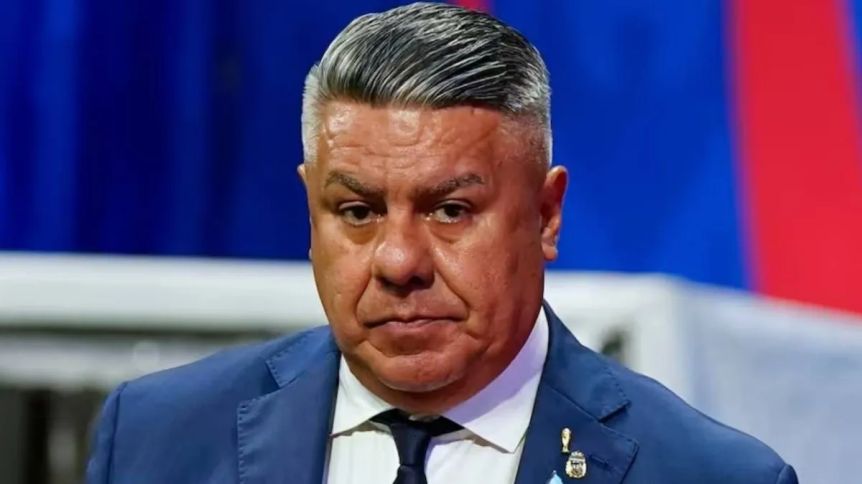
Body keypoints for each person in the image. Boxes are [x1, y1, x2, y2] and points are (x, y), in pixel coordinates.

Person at [86, 3, 797, 483]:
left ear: (546, 215)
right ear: (310, 211)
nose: (399, 261)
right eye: (357, 211)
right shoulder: (155, 439)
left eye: (451, 210)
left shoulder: (706, 474)